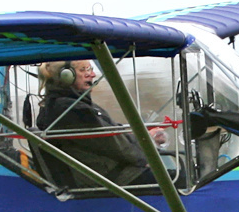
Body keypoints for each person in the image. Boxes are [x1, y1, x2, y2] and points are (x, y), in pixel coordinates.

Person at [34, 59, 165, 187]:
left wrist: (146, 137)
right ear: (67, 76)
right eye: (83, 70)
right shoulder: (72, 110)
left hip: (108, 173)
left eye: (90, 69)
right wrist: (146, 155)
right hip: (110, 178)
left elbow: (114, 132)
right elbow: (115, 145)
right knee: (180, 178)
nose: (92, 74)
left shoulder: (72, 104)